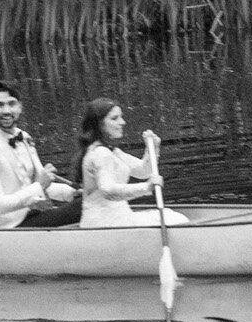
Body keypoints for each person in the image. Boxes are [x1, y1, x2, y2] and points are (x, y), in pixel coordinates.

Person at [0, 82, 80, 229]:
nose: (6, 110)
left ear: (19, 107)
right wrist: (39, 185)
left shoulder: (24, 137)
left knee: (84, 201)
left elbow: (40, 184)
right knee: (82, 207)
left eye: (11, 104)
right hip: (4, 227)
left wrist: (72, 194)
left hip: (30, 215)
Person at [72, 98, 190, 229]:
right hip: (105, 223)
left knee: (173, 217)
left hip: (120, 219)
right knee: (176, 219)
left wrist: (152, 148)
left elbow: (144, 171)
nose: (122, 122)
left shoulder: (112, 151)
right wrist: (146, 187)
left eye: (121, 117)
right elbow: (108, 190)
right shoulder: (100, 153)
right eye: (114, 118)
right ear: (99, 124)